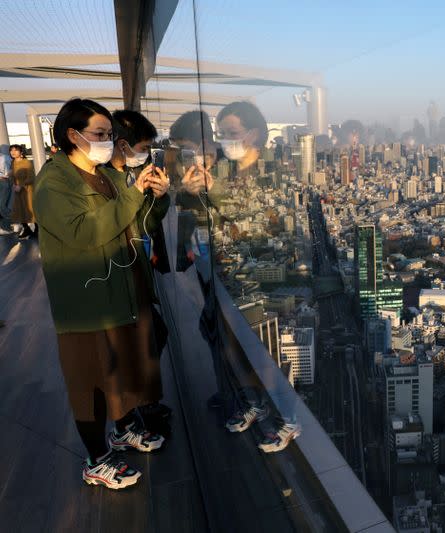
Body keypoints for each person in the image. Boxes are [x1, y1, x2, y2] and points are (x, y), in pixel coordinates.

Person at [33, 99, 171, 490]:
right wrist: (132, 197)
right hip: (86, 304)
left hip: (120, 291)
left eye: (110, 135)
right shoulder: (54, 182)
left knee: (123, 368)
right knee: (90, 380)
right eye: (100, 134)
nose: (108, 142)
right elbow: (83, 233)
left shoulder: (104, 177)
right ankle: (97, 459)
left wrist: (155, 199)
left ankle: (124, 430)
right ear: (72, 136)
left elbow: (132, 224)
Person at [177, 102, 300, 453]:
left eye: (231, 133)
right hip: (231, 274)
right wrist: (192, 193)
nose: (225, 141)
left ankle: (289, 420)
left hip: (264, 275)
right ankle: (254, 402)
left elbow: (260, 216)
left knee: (269, 351)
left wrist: (211, 192)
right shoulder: (227, 170)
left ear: (254, 133)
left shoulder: (276, 168)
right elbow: (216, 215)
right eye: (222, 134)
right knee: (237, 345)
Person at [109, 109, 173, 432]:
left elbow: (142, 224)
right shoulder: (105, 180)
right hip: (116, 281)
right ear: (123, 145)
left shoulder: (124, 177)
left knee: (153, 336)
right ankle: (130, 414)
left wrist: (158, 198)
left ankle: (140, 403)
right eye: (143, 147)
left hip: (134, 274)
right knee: (136, 346)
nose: (145, 155)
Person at [9, 144, 36, 239]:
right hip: (17, 190)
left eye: (15, 150)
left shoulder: (26, 162)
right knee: (19, 210)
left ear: (21, 152)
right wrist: (13, 184)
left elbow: (31, 177)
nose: (13, 152)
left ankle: (37, 229)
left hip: (27, 189)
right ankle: (26, 229)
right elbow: (12, 175)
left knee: (31, 209)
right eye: (11, 150)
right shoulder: (12, 163)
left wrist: (21, 185)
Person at [0, 144, 12, 235]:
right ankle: (5, 227)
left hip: (4, 182)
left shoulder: (5, 157)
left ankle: (14, 221)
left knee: (2, 205)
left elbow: (12, 169)